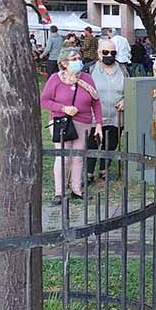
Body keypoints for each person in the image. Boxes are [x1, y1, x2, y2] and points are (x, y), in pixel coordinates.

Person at [40, 47, 103, 206]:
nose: (78, 62)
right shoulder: (55, 79)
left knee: (78, 157)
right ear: (64, 63)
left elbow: (96, 101)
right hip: (62, 122)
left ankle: (76, 190)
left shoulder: (87, 79)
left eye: (79, 58)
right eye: (73, 59)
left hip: (84, 122)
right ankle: (59, 192)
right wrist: (63, 108)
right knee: (63, 157)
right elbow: (44, 100)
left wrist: (99, 124)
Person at [84, 39, 128, 182]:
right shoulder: (89, 69)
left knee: (111, 143)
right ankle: (88, 173)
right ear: (98, 53)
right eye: (105, 52)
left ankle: (104, 170)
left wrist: (125, 100)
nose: (109, 55)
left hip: (116, 116)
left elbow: (131, 89)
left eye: (113, 52)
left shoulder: (123, 69)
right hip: (94, 116)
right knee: (92, 143)